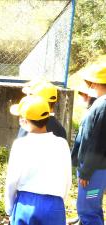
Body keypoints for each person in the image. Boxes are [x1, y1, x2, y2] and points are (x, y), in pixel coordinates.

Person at [5, 95, 72, 225]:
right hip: (54, 204)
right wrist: (59, 201)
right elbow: (67, 179)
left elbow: (11, 181)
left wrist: (9, 207)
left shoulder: (20, 144)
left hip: (25, 203)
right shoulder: (61, 143)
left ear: (24, 120)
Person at [71, 61, 106, 225]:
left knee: (88, 210)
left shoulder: (103, 105)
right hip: (94, 168)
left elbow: (98, 142)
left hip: (95, 170)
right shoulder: (100, 102)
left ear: (98, 82)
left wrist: (86, 172)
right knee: (93, 207)